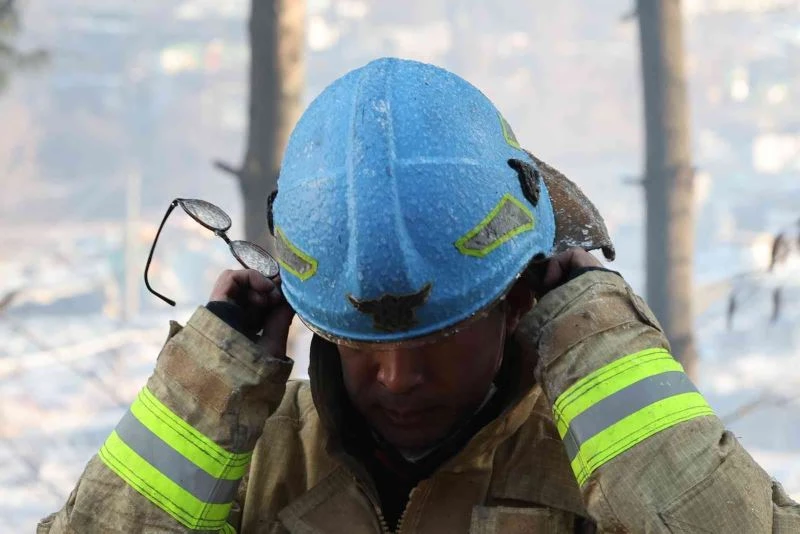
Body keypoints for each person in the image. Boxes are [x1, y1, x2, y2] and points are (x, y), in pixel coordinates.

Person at [39, 58, 799, 534]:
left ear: (521, 296)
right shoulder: (252, 467)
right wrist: (200, 389)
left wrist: (603, 343)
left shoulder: (607, 470)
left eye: (442, 335)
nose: (399, 380)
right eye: (362, 344)